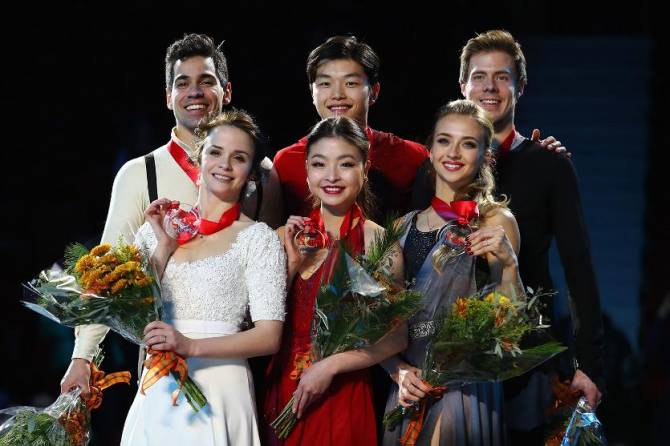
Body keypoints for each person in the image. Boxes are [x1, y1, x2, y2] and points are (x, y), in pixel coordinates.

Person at [60, 33, 282, 399]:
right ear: (168, 97)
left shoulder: (264, 173)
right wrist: (82, 357)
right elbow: (106, 278)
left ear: (226, 92)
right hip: (160, 367)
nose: (194, 92)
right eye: (183, 83)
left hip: (236, 368)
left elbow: (271, 277)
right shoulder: (139, 174)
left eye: (206, 81)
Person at [411, 30, 605, 442]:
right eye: (479, 77)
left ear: (521, 87)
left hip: (527, 356)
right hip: (445, 366)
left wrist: (588, 364)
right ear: (462, 85)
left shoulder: (550, 165)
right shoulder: (433, 169)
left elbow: (579, 269)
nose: (490, 88)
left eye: (502, 77)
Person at [121, 109, 286, 445]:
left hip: (222, 390)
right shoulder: (155, 231)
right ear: (198, 159)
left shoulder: (259, 239)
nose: (225, 164)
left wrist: (190, 345)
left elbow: (269, 337)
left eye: (239, 158)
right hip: (158, 388)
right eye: (216, 152)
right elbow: (128, 313)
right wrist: (163, 247)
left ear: (251, 175)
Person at [384, 99, 521, 445]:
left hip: (463, 389)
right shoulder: (401, 227)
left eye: (468, 143)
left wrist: (509, 266)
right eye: (445, 140)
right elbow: (377, 321)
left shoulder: (495, 221)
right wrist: (396, 370)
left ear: (486, 156)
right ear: (429, 150)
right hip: (408, 386)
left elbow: (509, 326)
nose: (454, 152)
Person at [264, 116, 407, 445]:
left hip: (345, 391)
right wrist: (291, 265)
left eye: (345, 164)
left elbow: (397, 337)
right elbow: (258, 321)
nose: (331, 176)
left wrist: (330, 366)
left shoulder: (379, 243)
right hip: (284, 389)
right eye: (319, 164)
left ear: (365, 168)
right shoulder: (283, 237)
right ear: (306, 171)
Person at [272, 35, 428, 223]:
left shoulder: (413, 157)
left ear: (374, 91)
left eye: (350, 83)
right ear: (312, 92)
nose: (337, 95)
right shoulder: (285, 162)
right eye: (325, 84)